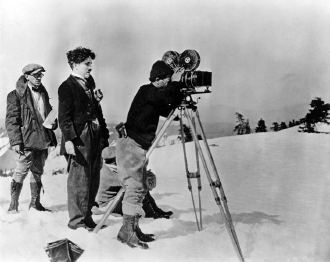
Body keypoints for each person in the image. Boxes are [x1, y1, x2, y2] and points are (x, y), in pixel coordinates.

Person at [116, 60, 184, 249]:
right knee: (135, 188)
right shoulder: (146, 91)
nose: (169, 83)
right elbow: (167, 96)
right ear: (158, 79)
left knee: (140, 187)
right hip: (131, 146)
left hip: (137, 146)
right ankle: (126, 231)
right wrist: (177, 83)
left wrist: (177, 96)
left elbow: (167, 105)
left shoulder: (154, 95)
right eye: (168, 80)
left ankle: (133, 229)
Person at [58, 47, 109, 231]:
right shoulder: (66, 86)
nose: (90, 67)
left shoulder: (89, 83)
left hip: (94, 133)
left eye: (91, 63)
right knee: (79, 180)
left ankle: (87, 218)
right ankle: (76, 222)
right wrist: (69, 140)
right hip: (79, 137)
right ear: (75, 64)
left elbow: (93, 110)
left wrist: (103, 135)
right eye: (87, 63)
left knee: (93, 177)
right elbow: (64, 117)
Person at [5, 63, 58, 214]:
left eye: (41, 75)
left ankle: (35, 204)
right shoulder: (14, 95)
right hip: (26, 140)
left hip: (42, 139)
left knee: (38, 171)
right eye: (36, 75)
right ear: (27, 77)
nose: (39, 78)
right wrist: (16, 141)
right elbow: (11, 120)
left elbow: (47, 114)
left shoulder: (43, 93)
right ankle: (13, 204)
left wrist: (54, 123)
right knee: (21, 170)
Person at [93, 146, 173, 219]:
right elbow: (139, 182)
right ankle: (151, 213)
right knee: (137, 188)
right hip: (109, 205)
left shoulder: (111, 169)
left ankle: (156, 210)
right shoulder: (108, 173)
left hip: (115, 200)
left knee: (139, 188)